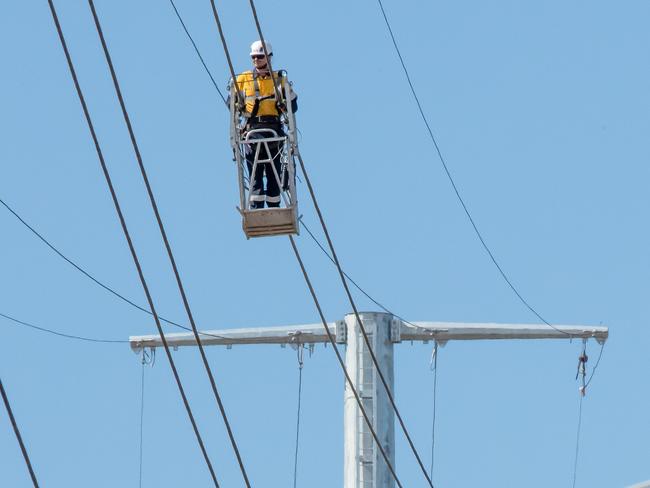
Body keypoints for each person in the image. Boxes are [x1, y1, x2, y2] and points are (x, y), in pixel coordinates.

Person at [234, 40, 297, 209]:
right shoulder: (243, 79)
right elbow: (231, 104)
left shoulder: (280, 80)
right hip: (252, 131)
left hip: (273, 130)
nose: (256, 60)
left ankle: (273, 206)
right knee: (255, 172)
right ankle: (256, 208)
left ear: (268, 57)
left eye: (260, 57)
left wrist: (284, 102)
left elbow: (294, 105)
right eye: (254, 57)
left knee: (273, 172)